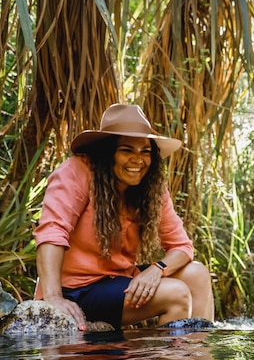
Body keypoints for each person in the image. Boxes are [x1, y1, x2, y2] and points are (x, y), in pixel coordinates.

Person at [34, 103, 214, 331]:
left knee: (197, 274)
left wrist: (157, 268)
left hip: (118, 281)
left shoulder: (151, 188)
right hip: (76, 289)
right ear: (107, 153)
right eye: (127, 150)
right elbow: (51, 233)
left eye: (145, 151)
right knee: (175, 294)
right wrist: (53, 296)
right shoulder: (76, 172)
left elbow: (182, 247)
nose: (138, 160)